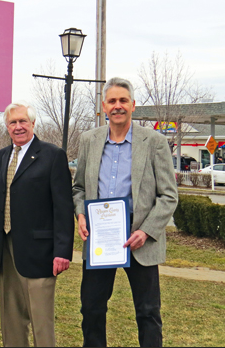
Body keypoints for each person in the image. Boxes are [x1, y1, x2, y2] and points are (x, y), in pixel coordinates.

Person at [73, 77, 178, 347]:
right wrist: (81, 214)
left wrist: (146, 231)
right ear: (104, 106)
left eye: (123, 100)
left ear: (133, 105)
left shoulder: (154, 142)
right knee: (91, 309)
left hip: (139, 236)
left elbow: (168, 196)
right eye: (112, 101)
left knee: (148, 312)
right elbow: (79, 188)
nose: (117, 106)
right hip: (100, 237)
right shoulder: (89, 140)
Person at [0, 102, 74, 347]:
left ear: (33, 123)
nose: (18, 127)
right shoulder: (1, 156)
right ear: (7, 126)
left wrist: (63, 251)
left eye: (23, 121)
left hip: (40, 252)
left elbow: (63, 207)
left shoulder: (52, 155)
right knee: (11, 318)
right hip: (7, 247)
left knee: (41, 321)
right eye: (12, 122)